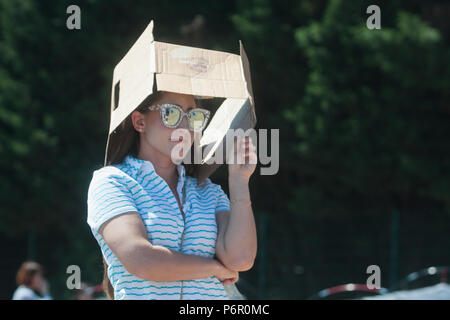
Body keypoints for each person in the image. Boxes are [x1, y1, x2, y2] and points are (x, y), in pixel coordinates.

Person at [87, 91, 258, 299]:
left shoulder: (209, 191)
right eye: (171, 113)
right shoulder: (113, 181)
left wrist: (239, 181)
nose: (185, 127)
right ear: (139, 122)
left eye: (193, 116)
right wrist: (214, 268)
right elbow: (142, 260)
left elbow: (240, 260)